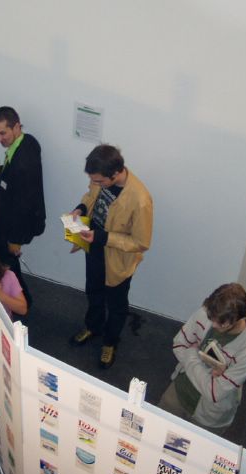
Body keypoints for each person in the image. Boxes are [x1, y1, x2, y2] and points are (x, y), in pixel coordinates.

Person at [69, 144, 153, 369]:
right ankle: (93, 327)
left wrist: (104, 237)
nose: (95, 184)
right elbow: (90, 197)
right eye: (93, 180)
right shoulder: (100, 178)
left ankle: (110, 342)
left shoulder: (140, 199)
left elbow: (141, 243)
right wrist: (81, 209)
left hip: (116, 258)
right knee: (93, 291)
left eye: (99, 181)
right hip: (94, 245)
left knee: (116, 304)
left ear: (115, 173)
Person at [158, 283, 246, 433]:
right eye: (211, 318)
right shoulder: (208, 312)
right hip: (178, 393)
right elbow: (178, 344)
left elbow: (214, 393)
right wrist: (209, 376)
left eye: (220, 323)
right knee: (158, 433)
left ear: (238, 318)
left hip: (208, 416)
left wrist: (191, 355)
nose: (212, 324)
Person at [0, 106, 46, 306]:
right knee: (4, 263)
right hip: (5, 223)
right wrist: (0, 173)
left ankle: (21, 303)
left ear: (16, 127)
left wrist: (15, 239)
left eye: (3, 133)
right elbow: (14, 180)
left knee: (5, 265)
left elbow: (24, 204)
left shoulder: (23, 163)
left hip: (10, 229)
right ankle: (16, 300)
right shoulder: (27, 142)